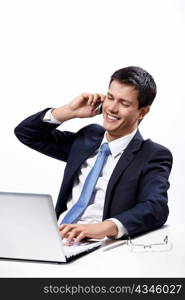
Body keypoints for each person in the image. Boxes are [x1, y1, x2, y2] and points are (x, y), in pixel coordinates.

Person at [14, 66, 173, 244]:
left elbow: (155, 208)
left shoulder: (152, 155)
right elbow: (26, 134)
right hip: (57, 238)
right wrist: (69, 111)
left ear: (142, 112)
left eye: (124, 103)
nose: (112, 108)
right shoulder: (88, 138)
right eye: (110, 98)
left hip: (99, 245)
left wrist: (104, 227)